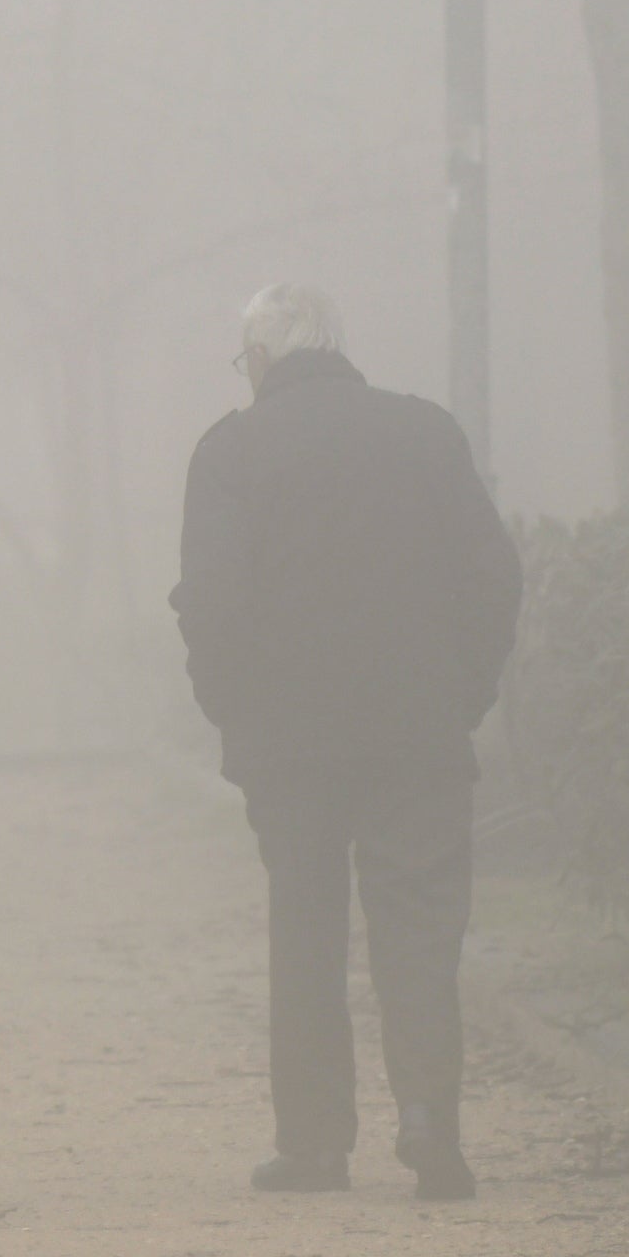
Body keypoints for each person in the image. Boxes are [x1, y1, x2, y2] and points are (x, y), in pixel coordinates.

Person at [169, 284, 521, 1203]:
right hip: (417, 728)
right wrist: (464, 692)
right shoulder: (424, 432)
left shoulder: (231, 451)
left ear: (258, 358)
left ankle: (317, 1145)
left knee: (307, 929)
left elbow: (211, 600)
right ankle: (431, 1123)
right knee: (418, 928)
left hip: (288, 742)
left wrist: (231, 708)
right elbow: (492, 573)